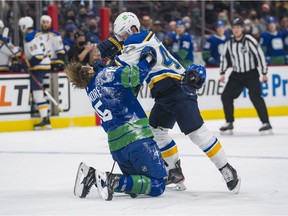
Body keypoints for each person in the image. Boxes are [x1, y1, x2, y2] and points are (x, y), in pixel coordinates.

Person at [104, 12, 241, 193]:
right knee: (157, 132)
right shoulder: (142, 39)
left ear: (132, 28)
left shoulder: (137, 38)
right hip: (164, 95)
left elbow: (116, 67)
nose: (122, 40)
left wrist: (101, 63)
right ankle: (174, 171)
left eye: (123, 35)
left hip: (178, 89)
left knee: (197, 133)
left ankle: (226, 169)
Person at [65, 46, 167, 201]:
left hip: (117, 148)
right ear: (90, 70)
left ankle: (91, 176)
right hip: (137, 139)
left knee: (136, 185)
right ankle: (113, 181)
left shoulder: (90, 89)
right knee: (157, 185)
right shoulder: (105, 75)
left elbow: (119, 95)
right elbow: (135, 75)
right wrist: (147, 60)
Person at [219, 18, 272, 132]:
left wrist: (264, 72)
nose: (236, 30)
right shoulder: (229, 42)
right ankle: (229, 122)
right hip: (236, 74)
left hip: (251, 73)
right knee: (226, 96)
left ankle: (266, 122)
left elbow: (259, 55)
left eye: (238, 27)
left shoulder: (249, 40)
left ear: (242, 28)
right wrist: (222, 72)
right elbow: (224, 57)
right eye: (234, 28)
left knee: (255, 96)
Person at [18, 16, 52, 130]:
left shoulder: (29, 37)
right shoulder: (39, 34)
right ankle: (45, 118)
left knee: (38, 93)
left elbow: (38, 56)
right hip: (46, 64)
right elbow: (47, 53)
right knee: (38, 93)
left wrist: (26, 64)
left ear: (24, 26)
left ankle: (45, 119)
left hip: (38, 67)